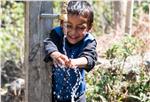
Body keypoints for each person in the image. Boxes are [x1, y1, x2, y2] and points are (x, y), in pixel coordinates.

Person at [44, 1, 97, 102]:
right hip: (54, 94)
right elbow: (48, 43)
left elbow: (90, 58)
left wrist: (75, 62)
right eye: (68, 26)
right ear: (61, 23)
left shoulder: (89, 41)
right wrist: (54, 53)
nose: (73, 32)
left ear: (89, 27)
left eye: (80, 27)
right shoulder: (58, 34)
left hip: (78, 97)